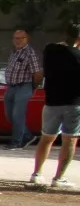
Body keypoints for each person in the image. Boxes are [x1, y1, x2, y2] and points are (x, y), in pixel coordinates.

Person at [30, 21, 80, 190]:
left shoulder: (50, 50)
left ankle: (37, 174)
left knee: (46, 138)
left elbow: (59, 47)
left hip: (51, 101)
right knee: (70, 140)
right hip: (73, 103)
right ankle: (59, 178)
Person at [5, 28, 42, 150]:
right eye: (16, 38)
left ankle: (17, 141)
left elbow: (37, 74)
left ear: (27, 39)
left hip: (23, 86)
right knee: (9, 115)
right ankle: (27, 135)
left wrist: (33, 87)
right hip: (11, 86)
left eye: (21, 38)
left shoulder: (30, 53)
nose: (18, 41)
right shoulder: (14, 51)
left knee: (18, 115)